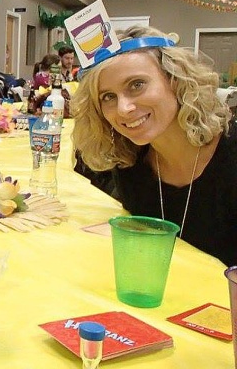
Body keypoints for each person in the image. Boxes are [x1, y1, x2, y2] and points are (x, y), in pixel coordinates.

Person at [71, 25, 236, 266]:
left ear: (176, 81)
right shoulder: (131, 166)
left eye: (136, 85)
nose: (123, 109)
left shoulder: (230, 155)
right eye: (108, 97)